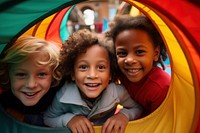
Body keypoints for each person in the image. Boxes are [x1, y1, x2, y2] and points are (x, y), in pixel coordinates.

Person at [44, 29, 142, 133]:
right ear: (72, 74)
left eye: (100, 67)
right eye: (83, 67)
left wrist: (123, 115)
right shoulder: (63, 95)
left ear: (110, 74)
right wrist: (69, 119)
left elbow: (138, 107)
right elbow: (48, 118)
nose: (92, 75)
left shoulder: (117, 92)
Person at [107, 15, 171, 117]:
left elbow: (159, 125)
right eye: (122, 53)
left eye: (139, 52)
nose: (129, 60)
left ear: (155, 54)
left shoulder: (160, 88)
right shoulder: (120, 73)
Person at [0, 36, 62, 126]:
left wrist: (71, 119)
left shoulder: (62, 96)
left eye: (41, 74)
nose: (31, 85)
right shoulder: (4, 103)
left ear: (54, 75)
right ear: (7, 74)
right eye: (21, 75)